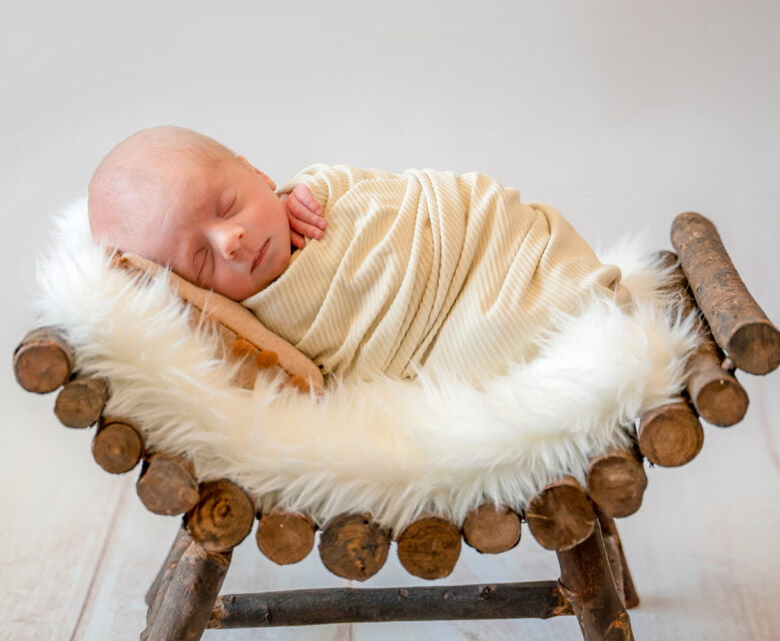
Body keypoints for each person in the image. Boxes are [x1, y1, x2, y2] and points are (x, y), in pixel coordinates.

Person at [89, 125, 630, 383]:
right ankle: (574, 334)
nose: (229, 240)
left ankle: (577, 301)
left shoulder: (316, 196)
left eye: (228, 205)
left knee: (536, 277)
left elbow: (408, 201)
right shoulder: (249, 326)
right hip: (434, 335)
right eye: (202, 262)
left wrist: (310, 190)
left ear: (256, 173)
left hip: (478, 247)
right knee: (485, 349)